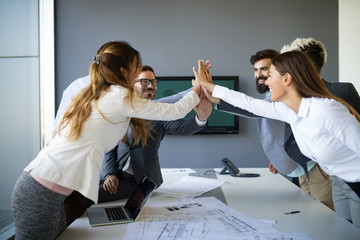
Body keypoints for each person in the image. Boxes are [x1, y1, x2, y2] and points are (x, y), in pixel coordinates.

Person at [11, 41, 201, 239]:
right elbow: (173, 110)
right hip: (41, 193)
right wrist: (197, 90)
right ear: (123, 70)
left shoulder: (95, 92)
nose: (138, 72)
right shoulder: (118, 95)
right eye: (136, 66)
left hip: (45, 188)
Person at [194, 52, 360, 228]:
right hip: (344, 181)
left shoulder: (326, 110)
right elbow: (249, 103)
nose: (266, 82)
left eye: (270, 75)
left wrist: (209, 85)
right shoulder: (289, 111)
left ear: (287, 78)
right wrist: (211, 87)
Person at [216, 48, 335, 210]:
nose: (259, 74)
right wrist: (280, 154)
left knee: (324, 215)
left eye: (265, 69)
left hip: (314, 167)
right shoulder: (271, 96)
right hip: (300, 169)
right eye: (256, 70)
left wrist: (215, 98)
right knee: (311, 213)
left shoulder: (285, 96)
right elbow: (287, 128)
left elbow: (252, 109)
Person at [98, 65, 212, 203]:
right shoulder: (120, 111)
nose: (151, 86)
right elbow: (109, 146)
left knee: (87, 197)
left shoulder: (159, 112)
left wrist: (202, 117)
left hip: (139, 181)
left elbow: (182, 125)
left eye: (153, 82)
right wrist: (110, 174)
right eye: (145, 81)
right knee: (78, 189)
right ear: (131, 84)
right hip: (114, 173)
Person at [280, 37, 360, 225]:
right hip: (326, 175)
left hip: (348, 175)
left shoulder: (341, 91)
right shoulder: (295, 98)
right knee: (341, 228)